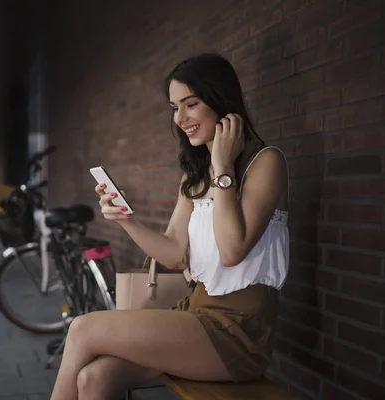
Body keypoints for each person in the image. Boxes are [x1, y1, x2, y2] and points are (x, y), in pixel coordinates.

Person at [49, 53, 289, 400]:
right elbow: (175, 253)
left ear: (220, 101)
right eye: (174, 107)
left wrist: (223, 166)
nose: (180, 118)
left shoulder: (266, 162)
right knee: (93, 379)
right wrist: (125, 220)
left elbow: (233, 251)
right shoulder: (193, 176)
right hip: (195, 313)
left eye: (190, 104)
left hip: (239, 330)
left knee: (82, 328)